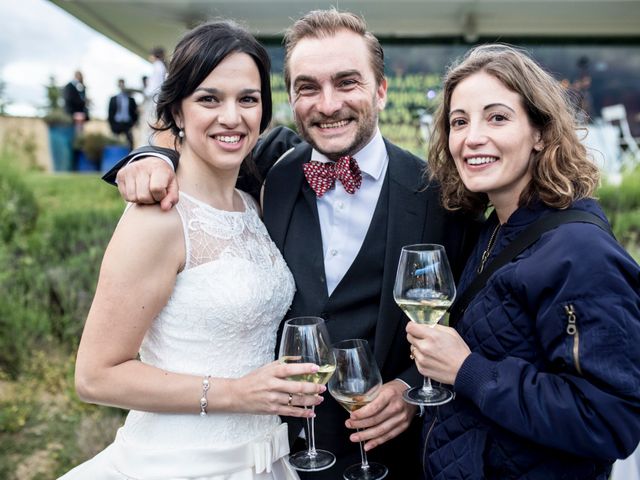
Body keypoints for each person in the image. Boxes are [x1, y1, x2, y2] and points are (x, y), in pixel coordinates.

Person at [103, 9, 479, 479]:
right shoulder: (270, 172)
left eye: (347, 82)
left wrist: (410, 388)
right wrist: (152, 156)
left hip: (390, 459)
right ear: (289, 99)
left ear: (380, 90)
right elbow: (207, 139)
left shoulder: (442, 194)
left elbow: (470, 316)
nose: (327, 104)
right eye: (307, 87)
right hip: (278, 452)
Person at [59, 20, 327, 480]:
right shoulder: (157, 217)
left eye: (247, 99)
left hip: (267, 460)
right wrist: (235, 394)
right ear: (178, 113)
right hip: (183, 463)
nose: (232, 116)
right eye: (209, 98)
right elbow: (95, 376)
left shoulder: (254, 201)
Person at [406, 44, 640, 479]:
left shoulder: (580, 252)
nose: (472, 136)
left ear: (540, 133)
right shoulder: (493, 228)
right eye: (459, 122)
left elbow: (611, 419)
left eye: (497, 117)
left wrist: (467, 370)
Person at [141, 46, 168, 144]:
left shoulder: (157, 65)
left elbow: (153, 87)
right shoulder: (162, 66)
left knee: (149, 123)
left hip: (153, 99)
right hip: (158, 98)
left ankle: (148, 145)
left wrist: (144, 95)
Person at [107, 78, 138, 150]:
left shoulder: (131, 99)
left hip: (128, 124)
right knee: (115, 144)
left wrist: (133, 123)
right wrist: (112, 125)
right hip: (116, 124)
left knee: (130, 144)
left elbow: (135, 112)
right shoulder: (113, 99)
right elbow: (110, 112)